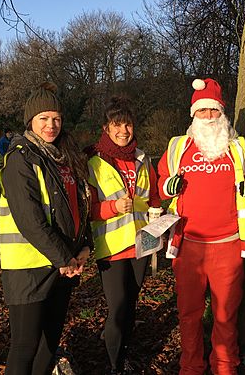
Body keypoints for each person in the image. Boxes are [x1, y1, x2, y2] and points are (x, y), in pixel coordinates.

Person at [157, 78, 245, 375]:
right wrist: (169, 185)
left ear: (222, 113)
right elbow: (161, 184)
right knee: (189, 313)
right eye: (202, 111)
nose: (208, 117)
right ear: (193, 114)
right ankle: (191, 367)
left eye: (213, 111)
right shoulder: (178, 146)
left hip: (228, 245)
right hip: (189, 245)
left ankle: (224, 367)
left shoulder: (238, 148)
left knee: (225, 314)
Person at [0, 82, 92, 375]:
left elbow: (79, 206)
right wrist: (64, 258)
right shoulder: (20, 159)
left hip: (63, 265)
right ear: (30, 121)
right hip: (30, 269)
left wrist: (85, 246)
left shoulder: (63, 158)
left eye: (56, 119)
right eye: (43, 119)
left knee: (49, 344)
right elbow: (30, 219)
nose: (51, 125)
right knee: (25, 346)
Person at [85, 97, 161, 375]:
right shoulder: (94, 162)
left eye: (127, 124)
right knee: (117, 308)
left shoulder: (142, 158)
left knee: (130, 306)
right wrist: (112, 207)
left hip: (141, 245)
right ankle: (115, 366)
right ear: (106, 128)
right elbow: (86, 210)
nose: (123, 131)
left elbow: (153, 199)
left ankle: (123, 352)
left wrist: (157, 225)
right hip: (112, 247)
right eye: (116, 125)